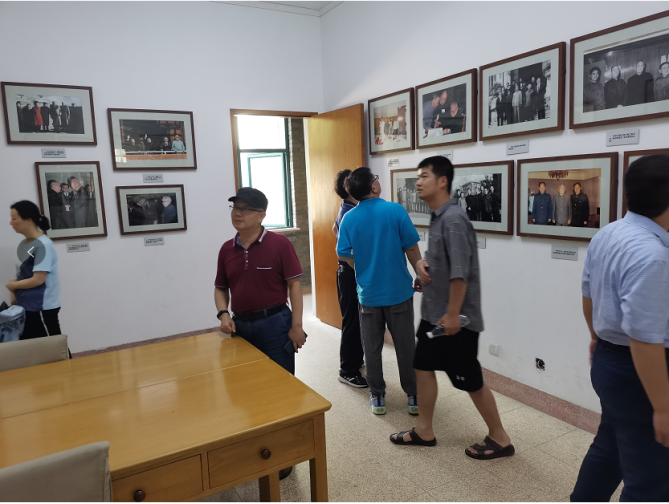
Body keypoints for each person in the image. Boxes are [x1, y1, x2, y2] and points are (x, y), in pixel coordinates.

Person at [389, 156, 515, 461]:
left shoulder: (453, 220)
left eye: (424, 176)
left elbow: (461, 274)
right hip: (435, 315)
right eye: (418, 176)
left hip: (455, 320)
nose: (418, 182)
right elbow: (446, 265)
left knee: (470, 380)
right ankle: (424, 430)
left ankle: (500, 438)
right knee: (422, 367)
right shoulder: (440, 216)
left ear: (442, 181)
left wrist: (453, 313)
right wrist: (425, 272)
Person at [570, 154, 669, 502]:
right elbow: (644, 340)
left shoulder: (609, 233)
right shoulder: (653, 254)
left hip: (610, 360)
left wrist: (596, 337)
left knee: (610, 447)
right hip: (639, 373)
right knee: (651, 480)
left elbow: (588, 295)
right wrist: (663, 408)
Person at [215, 187, 305, 480]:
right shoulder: (226, 249)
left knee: (280, 390)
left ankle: (284, 453)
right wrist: (223, 313)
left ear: (262, 215)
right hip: (242, 327)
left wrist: (296, 326)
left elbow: (294, 286)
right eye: (235, 208)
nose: (238, 213)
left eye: (245, 209)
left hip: (275, 323)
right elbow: (220, 288)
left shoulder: (279, 244)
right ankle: (259, 448)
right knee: (248, 391)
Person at [336, 167, 421, 416]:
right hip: (398, 292)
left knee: (371, 348)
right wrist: (419, 272)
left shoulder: (349, 218)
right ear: (374, 187)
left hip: (368, 294)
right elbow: (411, 247)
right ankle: (413, 396)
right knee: (405, 346)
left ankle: (377, 396)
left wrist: (362, 265)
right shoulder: (395, 210)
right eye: (376, 178)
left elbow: (342, 253)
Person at [6, 201, 63, 342]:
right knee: (33, 349)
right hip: (27, 306)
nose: (11, 223)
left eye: (14, 218)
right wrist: (13, 289)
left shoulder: (43, 245)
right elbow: (23, 271)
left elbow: (38, 279)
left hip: (42, 307)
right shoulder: (27, 244)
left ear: (28, 220)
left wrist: (13, 286)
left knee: (53, 348)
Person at [331, 170, 367, 388]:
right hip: (349, 272)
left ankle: (354, 360)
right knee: (352, 321)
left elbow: (334, 230)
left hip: (349, 272)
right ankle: (348, 370)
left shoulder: (348, 208)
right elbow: (347, 250)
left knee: (356, 320)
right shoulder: (349, 212)